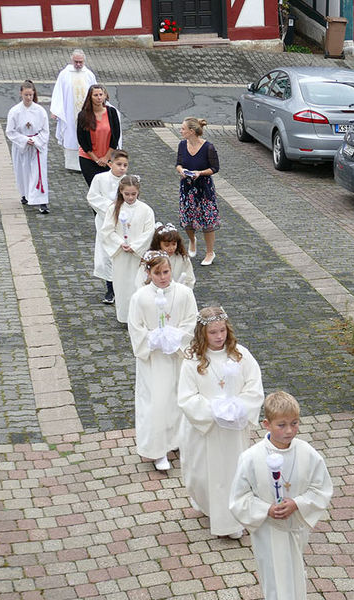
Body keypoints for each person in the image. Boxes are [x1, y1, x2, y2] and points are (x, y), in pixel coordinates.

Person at [229, 391, 333, 600]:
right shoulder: (251, 458)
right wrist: (265, 509)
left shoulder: (307, 453)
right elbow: (239, 498)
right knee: (276, 579)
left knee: (292, 574)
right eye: (282, 425)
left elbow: (321, 488)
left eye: (295, 423)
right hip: (267, 530)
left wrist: (297, 503)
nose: (289, 431)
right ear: (266, 425)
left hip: (295, 527)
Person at [178, 306, 263, 539]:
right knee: (202, 476)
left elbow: (254, 387)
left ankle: (230, 520)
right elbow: (186, 397)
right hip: (204, 429)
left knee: (231, 473)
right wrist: (213, 409)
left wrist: (239, 407)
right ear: (202, 334)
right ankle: (207, 505)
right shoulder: (192, 361)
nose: (219, 337)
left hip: (232, 431)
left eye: (222, 331)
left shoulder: (241, 355)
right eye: (213, 332)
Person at [128, 251, 198, 472]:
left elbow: (190, 321)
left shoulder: (185, 293)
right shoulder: (140, 297)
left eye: (166, 271)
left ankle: (177, 441)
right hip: (154, 360)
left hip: (177, 357)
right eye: (157, 273)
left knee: (178, 400)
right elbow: (135, 327)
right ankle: (157, 450)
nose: (163, 277)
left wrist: (175, 338)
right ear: (148, 273)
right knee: (156, 403)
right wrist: (153, 340)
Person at [98, 175, 155, 324]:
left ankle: (139, 318)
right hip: (121, 255)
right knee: (122, 286)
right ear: (121, 192)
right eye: (127, 194)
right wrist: (120, 243)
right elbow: (107, 230)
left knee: (138, 285)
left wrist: (135, 246)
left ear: (138, 192)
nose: (130, 197)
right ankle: (124, 316)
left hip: (138, 256)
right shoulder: (114, 209)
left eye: (133, 194)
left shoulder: (146, 210)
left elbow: (148, 232)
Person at [175, 117, 221, 266]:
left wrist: (200, 173)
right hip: (187, 188)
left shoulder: (208, 147)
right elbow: (178, 164)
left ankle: (209, 252)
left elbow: (215, 168)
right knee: (187, 220)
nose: (181, 131)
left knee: (208, 222)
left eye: (183, 129)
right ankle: (192, 239)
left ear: (191, 131)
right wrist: (182, 171)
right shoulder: (182, 145)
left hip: (204, 189)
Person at [87, 149, 130, 305]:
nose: (122, 168)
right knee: (105, 256)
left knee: (120, 254)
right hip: (105, 222)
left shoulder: (128, 180)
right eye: (119, 164)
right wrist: (111, 207)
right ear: (110, 164)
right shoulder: (100, 179)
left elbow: (133, 197)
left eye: (125, 165)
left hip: (123, 224)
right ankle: (110, 288)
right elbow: (92, 197)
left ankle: (121, 288)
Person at [5, 80, 50, 214]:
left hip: (37, 146)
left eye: (31, 95)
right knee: (22, 171)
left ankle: (42, 201)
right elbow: (10, 131)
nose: (29, 98)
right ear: (21, 94)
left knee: (39, 173)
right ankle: (25, 194)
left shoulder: (40, 111)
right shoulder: (15, 111)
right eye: (26, 95)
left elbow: (45, 130)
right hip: (22, 146)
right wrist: (24, 140)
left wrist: (35, 140)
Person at [50, 49, 96, 171]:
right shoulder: (64, 74)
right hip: (69, 112)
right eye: (76, 62)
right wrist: (56, 110)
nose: (78, 64)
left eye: (81, 62)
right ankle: (72, 164)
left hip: (86, 113)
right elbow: (58, 92)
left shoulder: (89, 75)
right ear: (72, 60)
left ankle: (86, 162)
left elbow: (96, 92)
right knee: (71, 135)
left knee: (86, 136)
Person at [76, 84, 122, 187]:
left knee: (108, 188)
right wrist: (96, 159)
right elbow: (82, 139)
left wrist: (106, 158)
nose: (99, 97)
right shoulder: (83, 115)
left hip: (108, 158)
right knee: (95, 188)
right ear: (90, 97)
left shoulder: (112, 112)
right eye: (95, 95)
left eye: (101, 94)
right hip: (88, 158)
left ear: (105, 96)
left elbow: (116, 136)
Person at [136, 223, 196, 291]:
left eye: (174, 244)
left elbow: (189, 278)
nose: (171, 248)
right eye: (167, 245)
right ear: (158, 244)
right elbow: (141, 280)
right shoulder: (150, 258)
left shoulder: (182, 258)